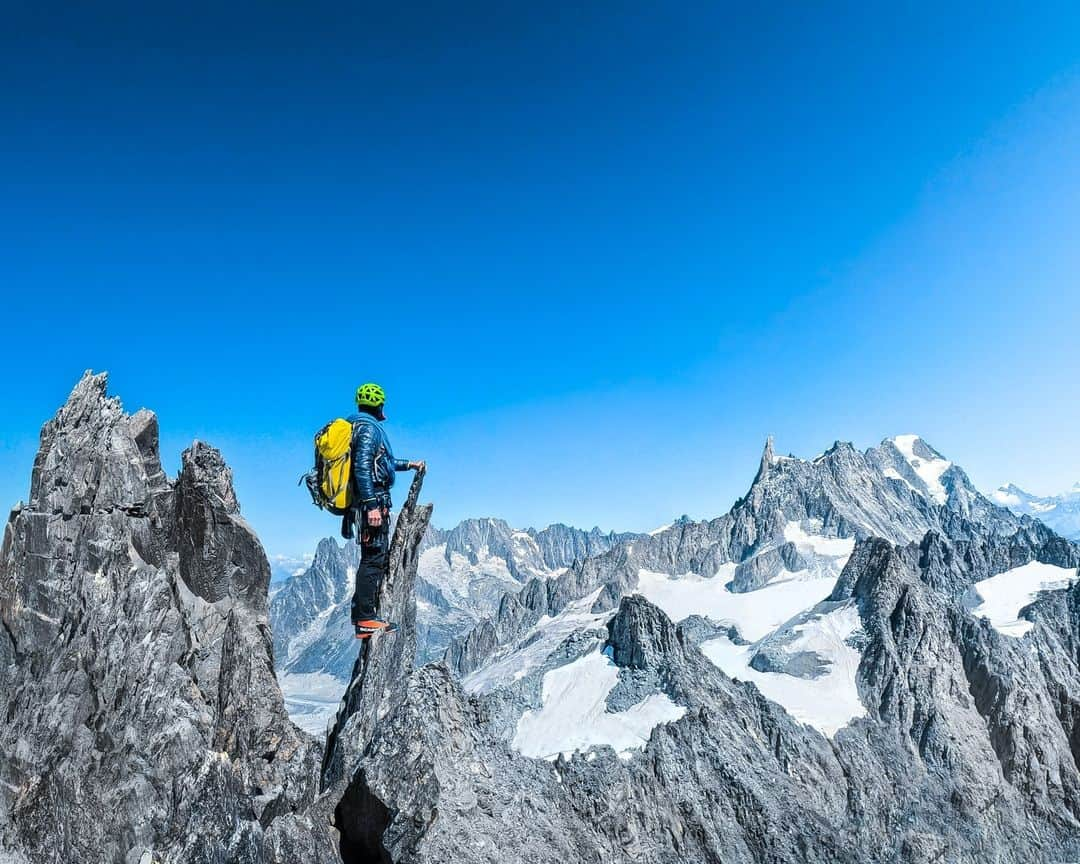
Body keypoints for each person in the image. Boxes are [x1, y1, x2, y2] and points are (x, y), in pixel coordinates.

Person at [346, 382, 424, 638]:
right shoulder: (369, 430)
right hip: (374, 503)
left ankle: (363, 616)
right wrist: (371, 506)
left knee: (371, 557)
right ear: (378, 405)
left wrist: (408, 464)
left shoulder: (356, 426)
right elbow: (362, 466)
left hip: (368, 502)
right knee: (374, 558)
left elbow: (384, 463)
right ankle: (366, 619)